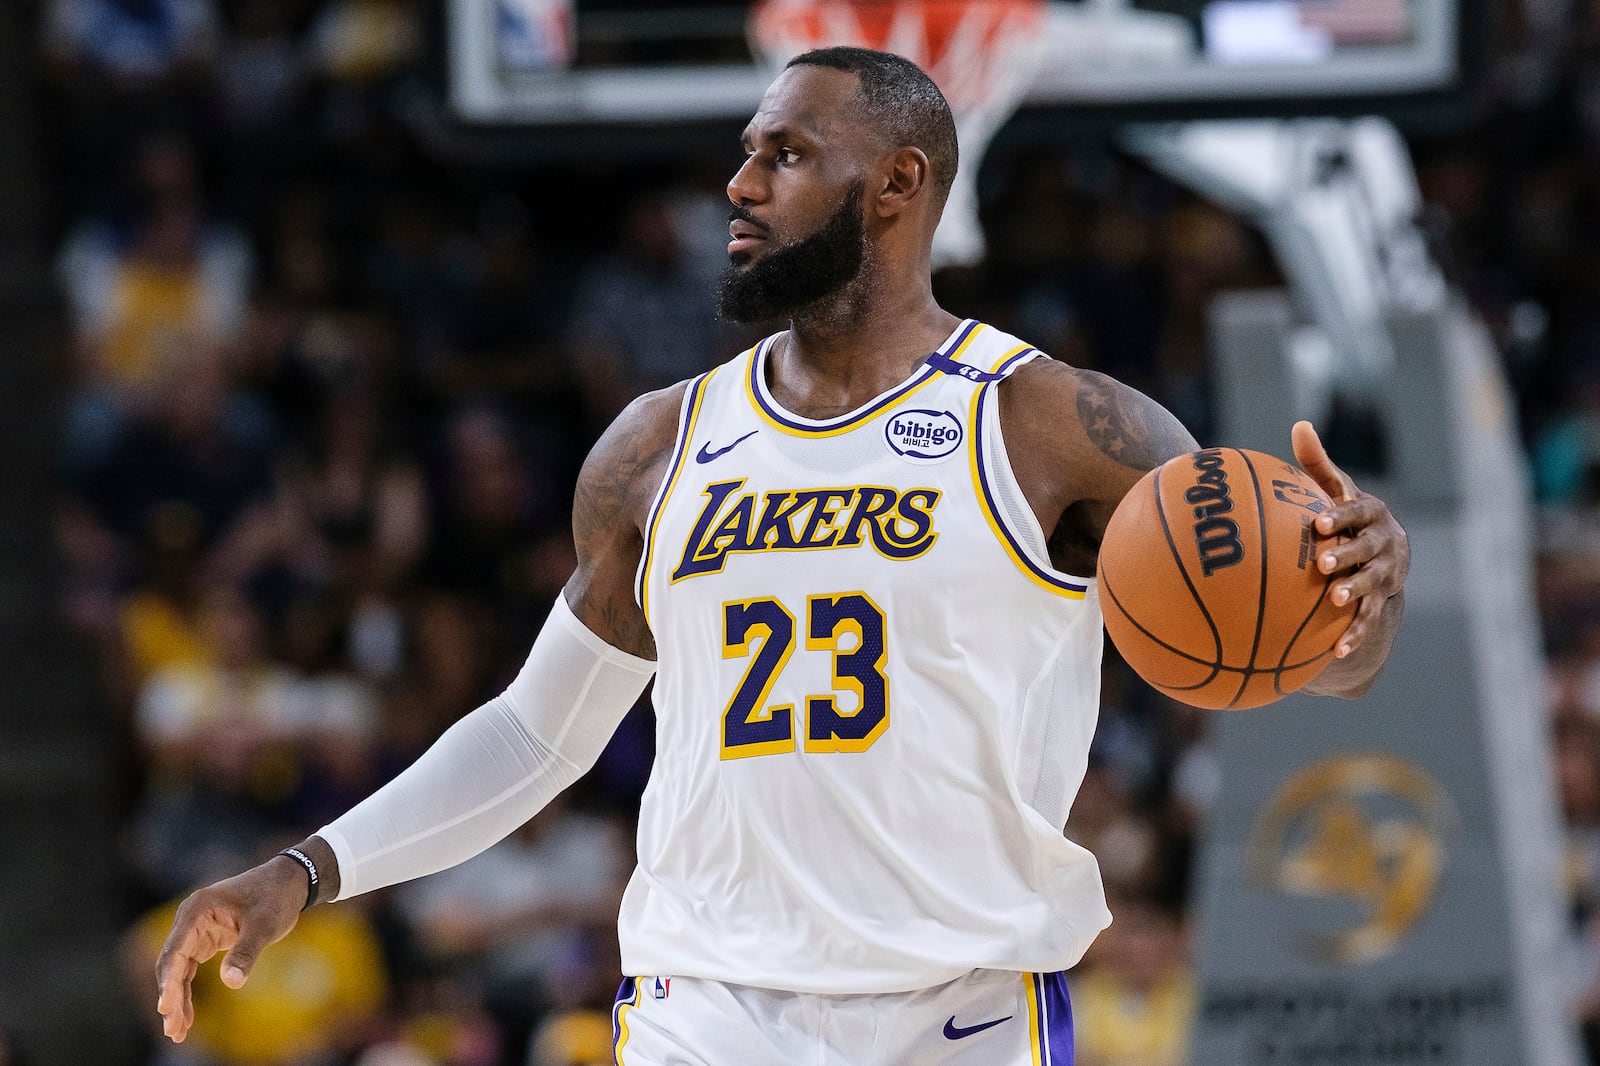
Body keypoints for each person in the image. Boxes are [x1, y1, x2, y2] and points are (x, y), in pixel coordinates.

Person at [156, 47, 1410, 1063]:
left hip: (958, 1009)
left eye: (785, 153)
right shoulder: (656, 447)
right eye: (747, 152)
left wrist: (1361, 599)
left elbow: (1303, 654)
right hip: (712, 1005)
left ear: (897, 184)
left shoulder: (1054, 424)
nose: (739, 185)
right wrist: (309, 868)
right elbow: (538, 733)